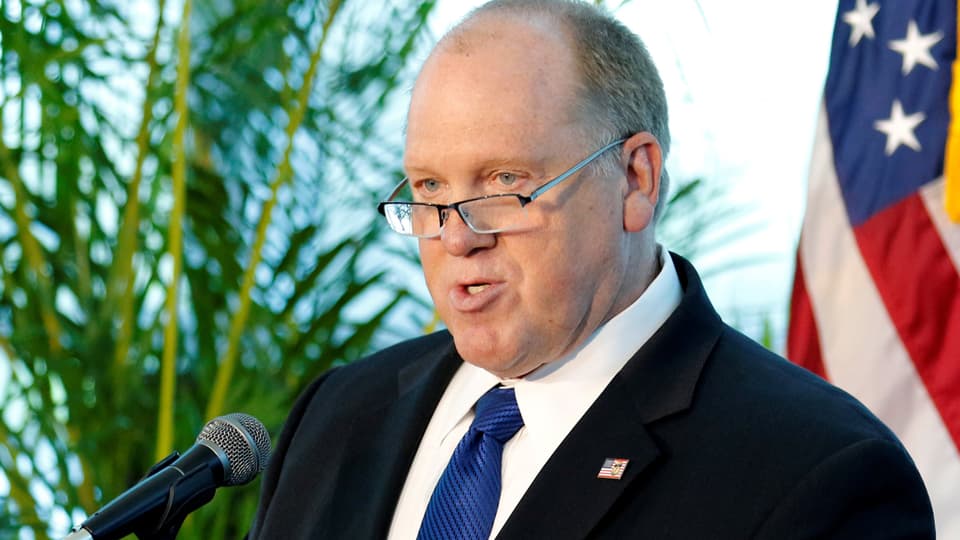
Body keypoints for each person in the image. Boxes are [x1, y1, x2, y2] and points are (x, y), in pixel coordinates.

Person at [248, 0, 935, 538]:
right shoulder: (339, 415)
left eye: (503, 183)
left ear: (635, 180)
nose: (456, 238)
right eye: (428, 190)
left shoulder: (817, 472)